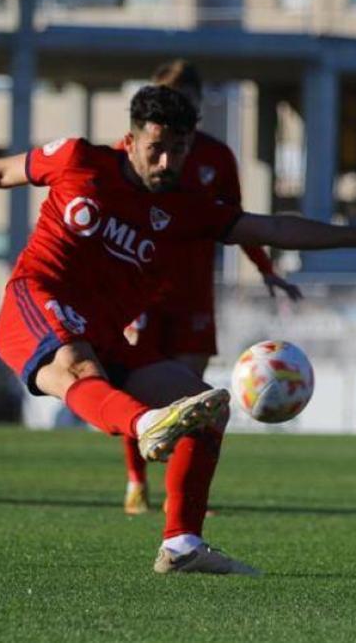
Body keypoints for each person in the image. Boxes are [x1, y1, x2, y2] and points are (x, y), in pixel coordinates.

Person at [0, 85, 356, 575]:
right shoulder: (78, 159)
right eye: (156, 148)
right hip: (39, 301)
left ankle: (182, 543)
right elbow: (0, 172)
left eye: (179, 150)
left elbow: (273, 227)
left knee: (207, 407)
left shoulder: (188, 209)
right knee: (78, 368)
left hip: (107, 331)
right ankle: (144, 426)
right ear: (131, 139)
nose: (167, 161)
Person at [119, 60, 303, 516]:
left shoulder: (217, 157)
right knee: (137, 393)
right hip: (140, 290)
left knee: (194, 397)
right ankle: (137, 483)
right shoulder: (136, 153)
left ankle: (182, 497)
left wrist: (264, 267)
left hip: (194, 292)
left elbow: (238, 221)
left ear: (200, 104)